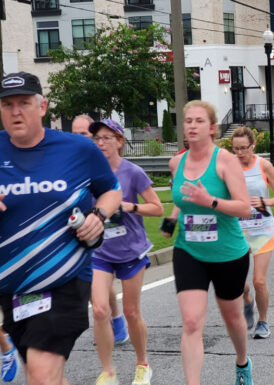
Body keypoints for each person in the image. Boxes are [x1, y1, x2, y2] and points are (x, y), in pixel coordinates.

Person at [0, 72, 122, 385]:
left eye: (24, 103)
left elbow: (112, 190)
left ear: (42, 107)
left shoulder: (77, 149)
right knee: (45, 375)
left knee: (41, 375)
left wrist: (98, 214)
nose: (16, 111)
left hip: (65, 278)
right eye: (7, 104)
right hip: (13, 285)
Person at [166, 100, 254, 385]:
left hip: (228, 253)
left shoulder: (225, 161)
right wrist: (172, 218)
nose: (191, 125)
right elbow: (184, 199)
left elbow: (244, 208)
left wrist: (211, 201)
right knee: (191, 322)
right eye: (188, 120)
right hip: (189, 250)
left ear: (212, 128)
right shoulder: (176, 163)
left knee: (233, 319)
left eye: (198, 121)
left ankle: (242, 362)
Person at [89, 119, 163, 385]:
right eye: (97, 138)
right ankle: (107, 371)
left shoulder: (133, 172)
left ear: (120, 142)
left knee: (132, 312)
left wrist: (129, 207)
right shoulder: (88, 173)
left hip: (131, 250)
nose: (101, 143)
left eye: (107, 138)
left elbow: (157, 208)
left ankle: (143, 364)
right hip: (99, 251)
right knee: (99, 310)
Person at [71, 114, 130, 345]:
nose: (80, 139)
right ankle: (112, 317)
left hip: (111, 236)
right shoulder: (69, 160)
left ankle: (112, 319)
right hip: (81, 234)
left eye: (84, 134)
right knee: (98, 290)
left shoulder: (99, 161)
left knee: (98, 291)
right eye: (74, 134)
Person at [231, 126, 274, 340]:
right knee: (236, 283)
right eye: (235, 149)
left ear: (252, 146)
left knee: (259, 281)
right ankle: (247, 300)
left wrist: (265, 201)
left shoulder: (263, 165)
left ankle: (263, 322)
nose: (239, 153)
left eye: (243, 148)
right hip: (237, 231)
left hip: (262, 229)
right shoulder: (228, 167)